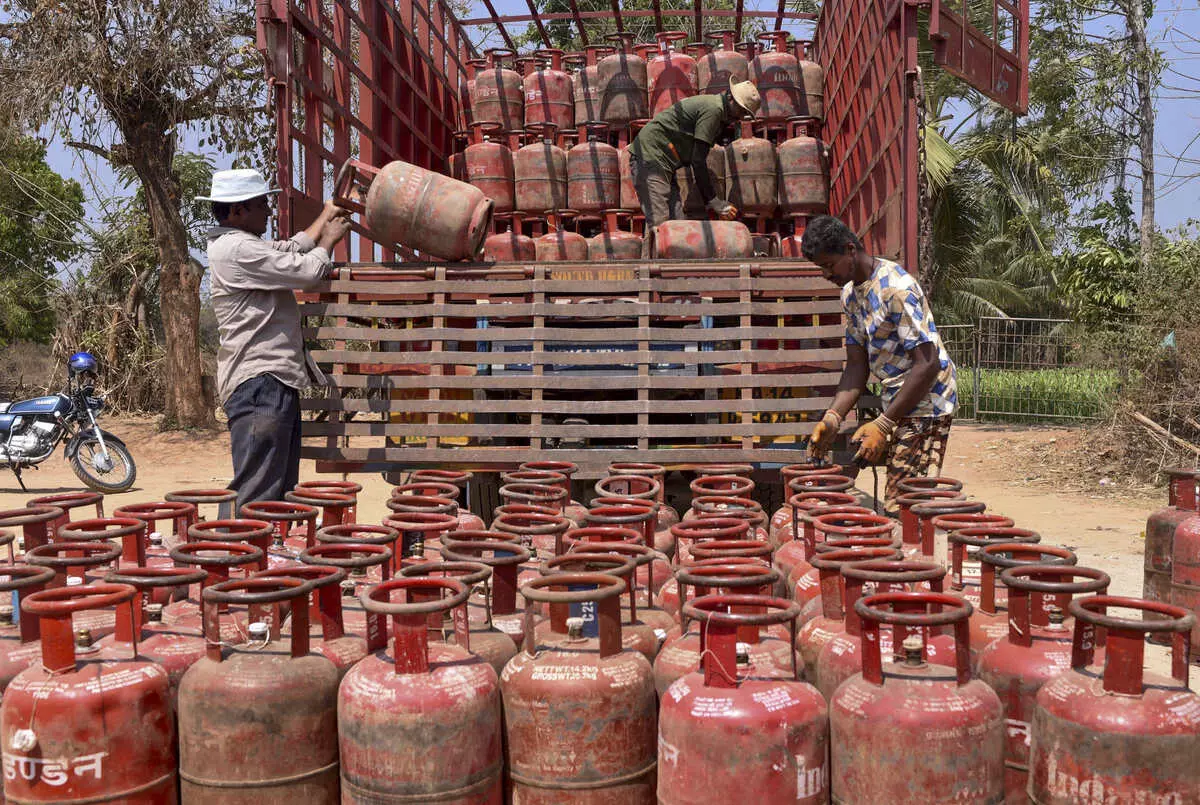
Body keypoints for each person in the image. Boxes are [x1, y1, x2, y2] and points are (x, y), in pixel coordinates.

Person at [200, 169, 350, 508]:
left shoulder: (240, 245)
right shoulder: (238, 249)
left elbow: (291, 249)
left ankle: (250, 540)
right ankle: (235, 541)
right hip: (261, 382)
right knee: (257, 492)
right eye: (261, 205)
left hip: (269, 380)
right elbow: (306, 271)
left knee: (275, 491)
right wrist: (329, 240)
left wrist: (326, 215)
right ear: (238, 210)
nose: (268, 212)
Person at [802, 215, 957, 514]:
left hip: (927, 401)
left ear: (850, 249)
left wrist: (883, 424)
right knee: (896, 496)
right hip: (897, 399)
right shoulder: (850, 295)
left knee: (903, 504)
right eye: (821, 267)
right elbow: (856, 366)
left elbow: (928, 364)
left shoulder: (896, 289)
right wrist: (833, 417)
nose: (825, 274)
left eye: (829, 265)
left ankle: (910, 540)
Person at [629, 79, 761, 229]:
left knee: (676, 225)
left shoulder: (717, 111)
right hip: (650, 157)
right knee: (661, 225)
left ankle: (658, 244)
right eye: (742, 111)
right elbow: (697, 160)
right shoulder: (714, 110)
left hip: (663, 162)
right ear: (730, 98)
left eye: (745, 113)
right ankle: (655, 244)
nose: (741, 117)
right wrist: (713, 201)